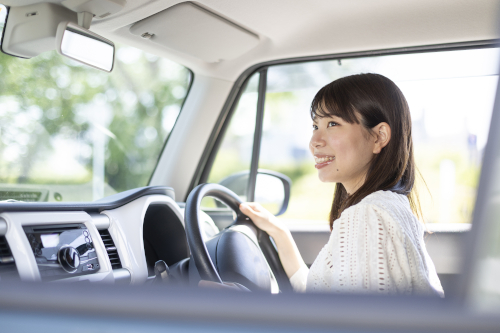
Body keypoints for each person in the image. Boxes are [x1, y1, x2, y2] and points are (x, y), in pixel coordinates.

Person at [239, 73, 444, 296]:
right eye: (315, 126)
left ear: (379, 137)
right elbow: (322, 296)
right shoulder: (389, 207)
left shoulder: (368, 216)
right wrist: (279, 232)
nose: (314, 142)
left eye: (333, 123)